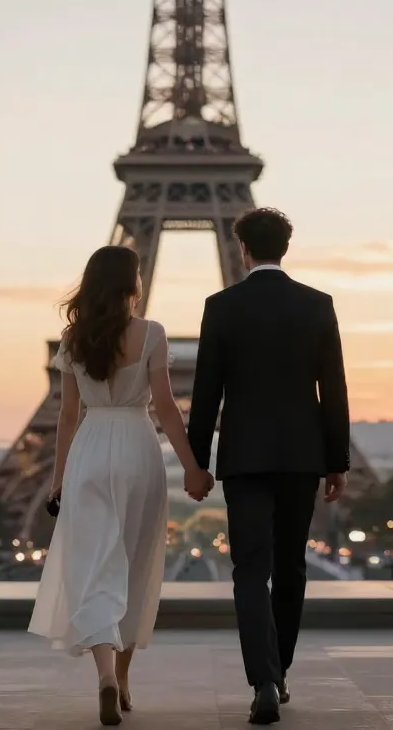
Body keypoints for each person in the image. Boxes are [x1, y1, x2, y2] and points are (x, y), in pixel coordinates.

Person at [28, 245, 214, 726]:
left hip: (89, 452)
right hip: (137, 447)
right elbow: (167, 409)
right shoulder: (151, 333)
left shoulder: (73, 339)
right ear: (134, 284)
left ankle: (107, 677)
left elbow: (67, 417)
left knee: (94, 568)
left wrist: (58, 480)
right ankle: (126, 680)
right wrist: (193, 467)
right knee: (135, 563)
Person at [187, 206, 351, 725]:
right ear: (286, 246)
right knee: (291, 568)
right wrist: (336, 460)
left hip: (245, 458)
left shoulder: (221, 306)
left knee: (249, 570)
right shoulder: (317, 305)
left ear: (243, 249)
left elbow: (206, 394)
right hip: (302, 456)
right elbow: (335, 389)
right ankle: (279, 673)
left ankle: (260, 679)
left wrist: (197, 462)